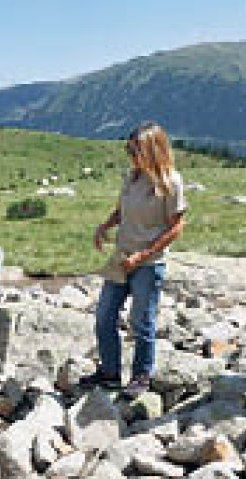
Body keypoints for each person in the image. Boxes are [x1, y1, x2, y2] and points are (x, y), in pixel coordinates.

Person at [79, 121, 187, 398]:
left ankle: (141, 374)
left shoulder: (170, 182)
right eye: (129, 149)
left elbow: (175, 227)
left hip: (148, 264)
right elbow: (122, 209)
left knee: (142, 320)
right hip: (121, 256)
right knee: (104, 314)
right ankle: (110, 372)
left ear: (152, 150)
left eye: (135, 150)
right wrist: (105, 225)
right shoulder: (132, 176)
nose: (131, 155)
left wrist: (144, 254)